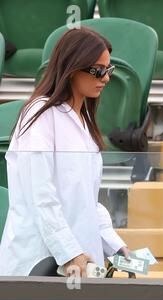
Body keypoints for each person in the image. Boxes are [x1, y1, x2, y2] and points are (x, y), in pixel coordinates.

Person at [0, 27, 129, 277]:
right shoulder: (40, 117)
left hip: (77, 262)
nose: (106, 78)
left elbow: (86, 200)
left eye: (108, 70)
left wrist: (116, 245)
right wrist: (70, 252)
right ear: (72, 69)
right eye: (98, 70)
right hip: (39, 262)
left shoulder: (83, 121)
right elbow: (41, 197)